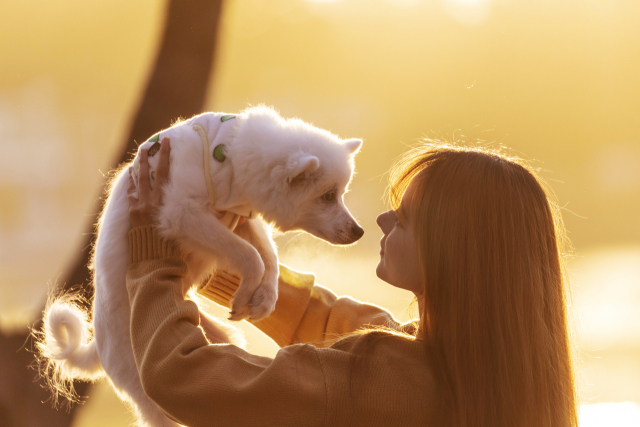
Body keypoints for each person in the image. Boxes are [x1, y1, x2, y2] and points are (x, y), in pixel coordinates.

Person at [126, 138, 578, 427]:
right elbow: (327, 321)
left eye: (403, 218)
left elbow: (181, 375)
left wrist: (154, 261)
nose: (380, 220)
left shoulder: (377, 378)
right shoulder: (508, 372)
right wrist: (224, 257)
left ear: (454, 250)